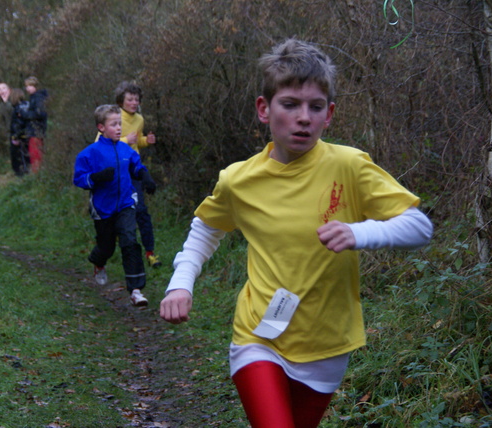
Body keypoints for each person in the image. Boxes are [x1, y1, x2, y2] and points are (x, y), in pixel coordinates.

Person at [159, 39, 433, 428]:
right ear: (263, 109)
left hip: (327, 342)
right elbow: (205, 230)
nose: (303, 117)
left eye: (315, 107)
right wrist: (180, 284)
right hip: (259, 337)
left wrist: (361, 233)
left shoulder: (350, 166)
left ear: (329, 114)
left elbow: (420, 227)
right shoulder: (239, 180)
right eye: (290, 104)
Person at [73, 104, 157, 307]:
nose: (119, 128)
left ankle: (136, 290)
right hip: (103, 208)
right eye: (114, 124)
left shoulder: (125, 149)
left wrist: (145, 177)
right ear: (101, 127)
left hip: (126, 203)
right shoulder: (89, 153)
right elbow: (79, 179)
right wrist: (96, 177)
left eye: (120, 123)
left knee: (130, 241)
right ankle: (98, 261)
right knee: (107, 247)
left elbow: (136, 166)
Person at [114, 81, 161, 268]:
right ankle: (119, 247)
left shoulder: (139, 119)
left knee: (141, 211)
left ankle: (150, 253)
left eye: (136, 99)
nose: (134, 103)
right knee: (120, 213)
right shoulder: (114, 116)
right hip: (116, 170)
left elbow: (136, 142)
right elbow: (101, 142)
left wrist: (146, 141)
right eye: (130, 99)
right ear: (121, 101)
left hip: (134, 168)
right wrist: (125, 140)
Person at [21, 76, 48, 173]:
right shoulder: (34, 98)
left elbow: (40, 113)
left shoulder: (38, 98)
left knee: (35, 153)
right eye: (26, 86)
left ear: (35, 86)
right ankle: (36, 171)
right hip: (34, 129)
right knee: (34, 152)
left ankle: (37, 172)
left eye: (30, 86)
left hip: (36, 130)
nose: (28, 88)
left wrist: (25, 114)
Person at [9, 88, 30, 176]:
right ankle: (28, 170)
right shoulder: (29, 105)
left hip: (20, 135)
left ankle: (20, 173)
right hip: (30, 134)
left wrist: (15, 136)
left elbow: (17, 124)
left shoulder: (17, 109)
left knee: (17, 155)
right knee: (27, 154)